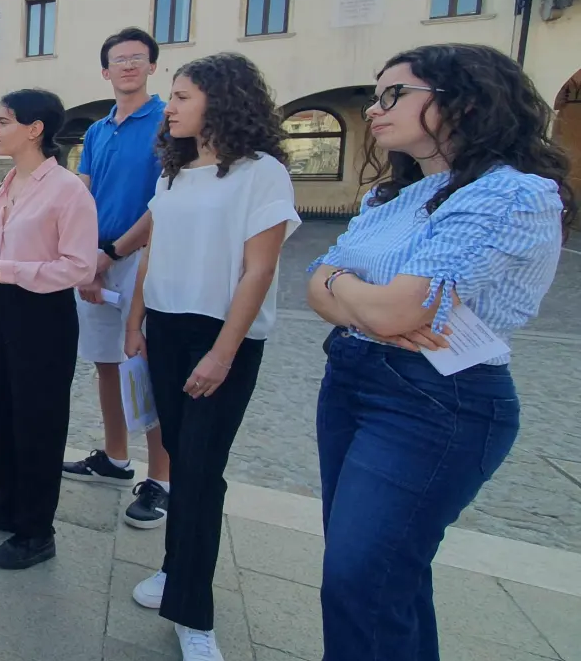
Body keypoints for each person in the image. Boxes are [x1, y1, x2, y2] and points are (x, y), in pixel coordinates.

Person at [306, 45, 569, 660]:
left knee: (362, 577)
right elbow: (315, 283)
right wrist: (354, 292)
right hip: (351, 378)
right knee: (381, 576)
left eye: (394, 94)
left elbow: (397, 310)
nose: (375, 109)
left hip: (435, 401)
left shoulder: (512, 193)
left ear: (466, 101)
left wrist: (346, 287)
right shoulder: (392, 199)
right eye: (376, 95)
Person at [124, 53, 299, 661]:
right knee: (180, 458)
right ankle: (176, 572)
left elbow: (260, 268)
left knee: (200, 472)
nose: (168, 107)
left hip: (220, 338)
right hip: (166, 330)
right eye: (171, 96)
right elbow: (153, 252)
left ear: (222, 101)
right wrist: (136, 321)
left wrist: (224, 351)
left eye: (181, 96)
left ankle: (194, 614)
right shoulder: (173, 171)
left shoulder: (261, 172)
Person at [0, 89, 98, 570]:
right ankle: (6, 504)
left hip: (44, 318)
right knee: (4, 415)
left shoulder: (68, 190)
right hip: (0, 307)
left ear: (35, 128)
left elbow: (78, 267)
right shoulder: (8, 181)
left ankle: (37, 530)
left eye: (2, 121)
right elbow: (5, 244)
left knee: (38, 424)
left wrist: (7, 270)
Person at [63, 27, 174, 529]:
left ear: (152, 65)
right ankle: (114, 458)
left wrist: (112, 251)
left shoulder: (168, 123)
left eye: (137, 58)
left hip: (142, 258)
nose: (128, 66)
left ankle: (160, 479)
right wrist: (85, 253)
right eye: (118, 60)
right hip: (96, 256)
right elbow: (82, 191)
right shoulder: (97, 130)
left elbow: (165, 202)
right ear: (105, 71)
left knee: (143, 365)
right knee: (105, 362)